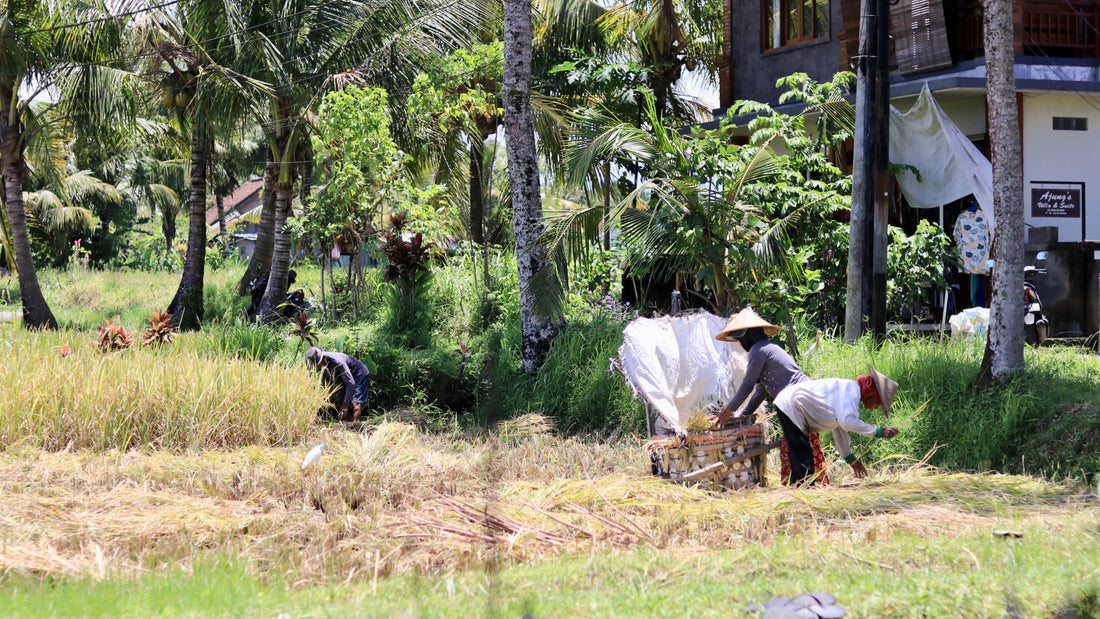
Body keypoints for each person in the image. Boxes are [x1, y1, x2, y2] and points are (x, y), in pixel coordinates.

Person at [710, 306, 831, 485]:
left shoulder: (759, 350)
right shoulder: (768, 348)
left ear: (746, 337)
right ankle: (800, 484)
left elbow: (747, 386)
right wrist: (744, 415)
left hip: (795, 400)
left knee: (798, 447)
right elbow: (761, 390)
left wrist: (726, 413)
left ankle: (807, 485)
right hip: (798, 398)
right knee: (792, 445)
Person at [772, 365, 900, 481]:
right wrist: (877, 432)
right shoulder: (851, 391)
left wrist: (851, 459)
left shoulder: (848, 393)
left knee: (801, 459)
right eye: (878, 403)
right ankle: (804, 494)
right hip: (791, 405)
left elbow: (839, 427)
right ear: (871, 393)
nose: (875, 407)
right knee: (803, 460)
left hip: (790, 405)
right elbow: (847, 422)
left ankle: (799, 491)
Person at [305, 346, 370, 422]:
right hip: (345, 379)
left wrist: (345, 404)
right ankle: (344, 426)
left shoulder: (338, 361)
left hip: (359, 375)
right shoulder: (323, 365)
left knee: (356, 404)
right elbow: (328, 383)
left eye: (318, 364)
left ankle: (355, 427)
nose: (318, 367)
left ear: (323, 358)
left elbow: (350, 383)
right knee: (340, 403)